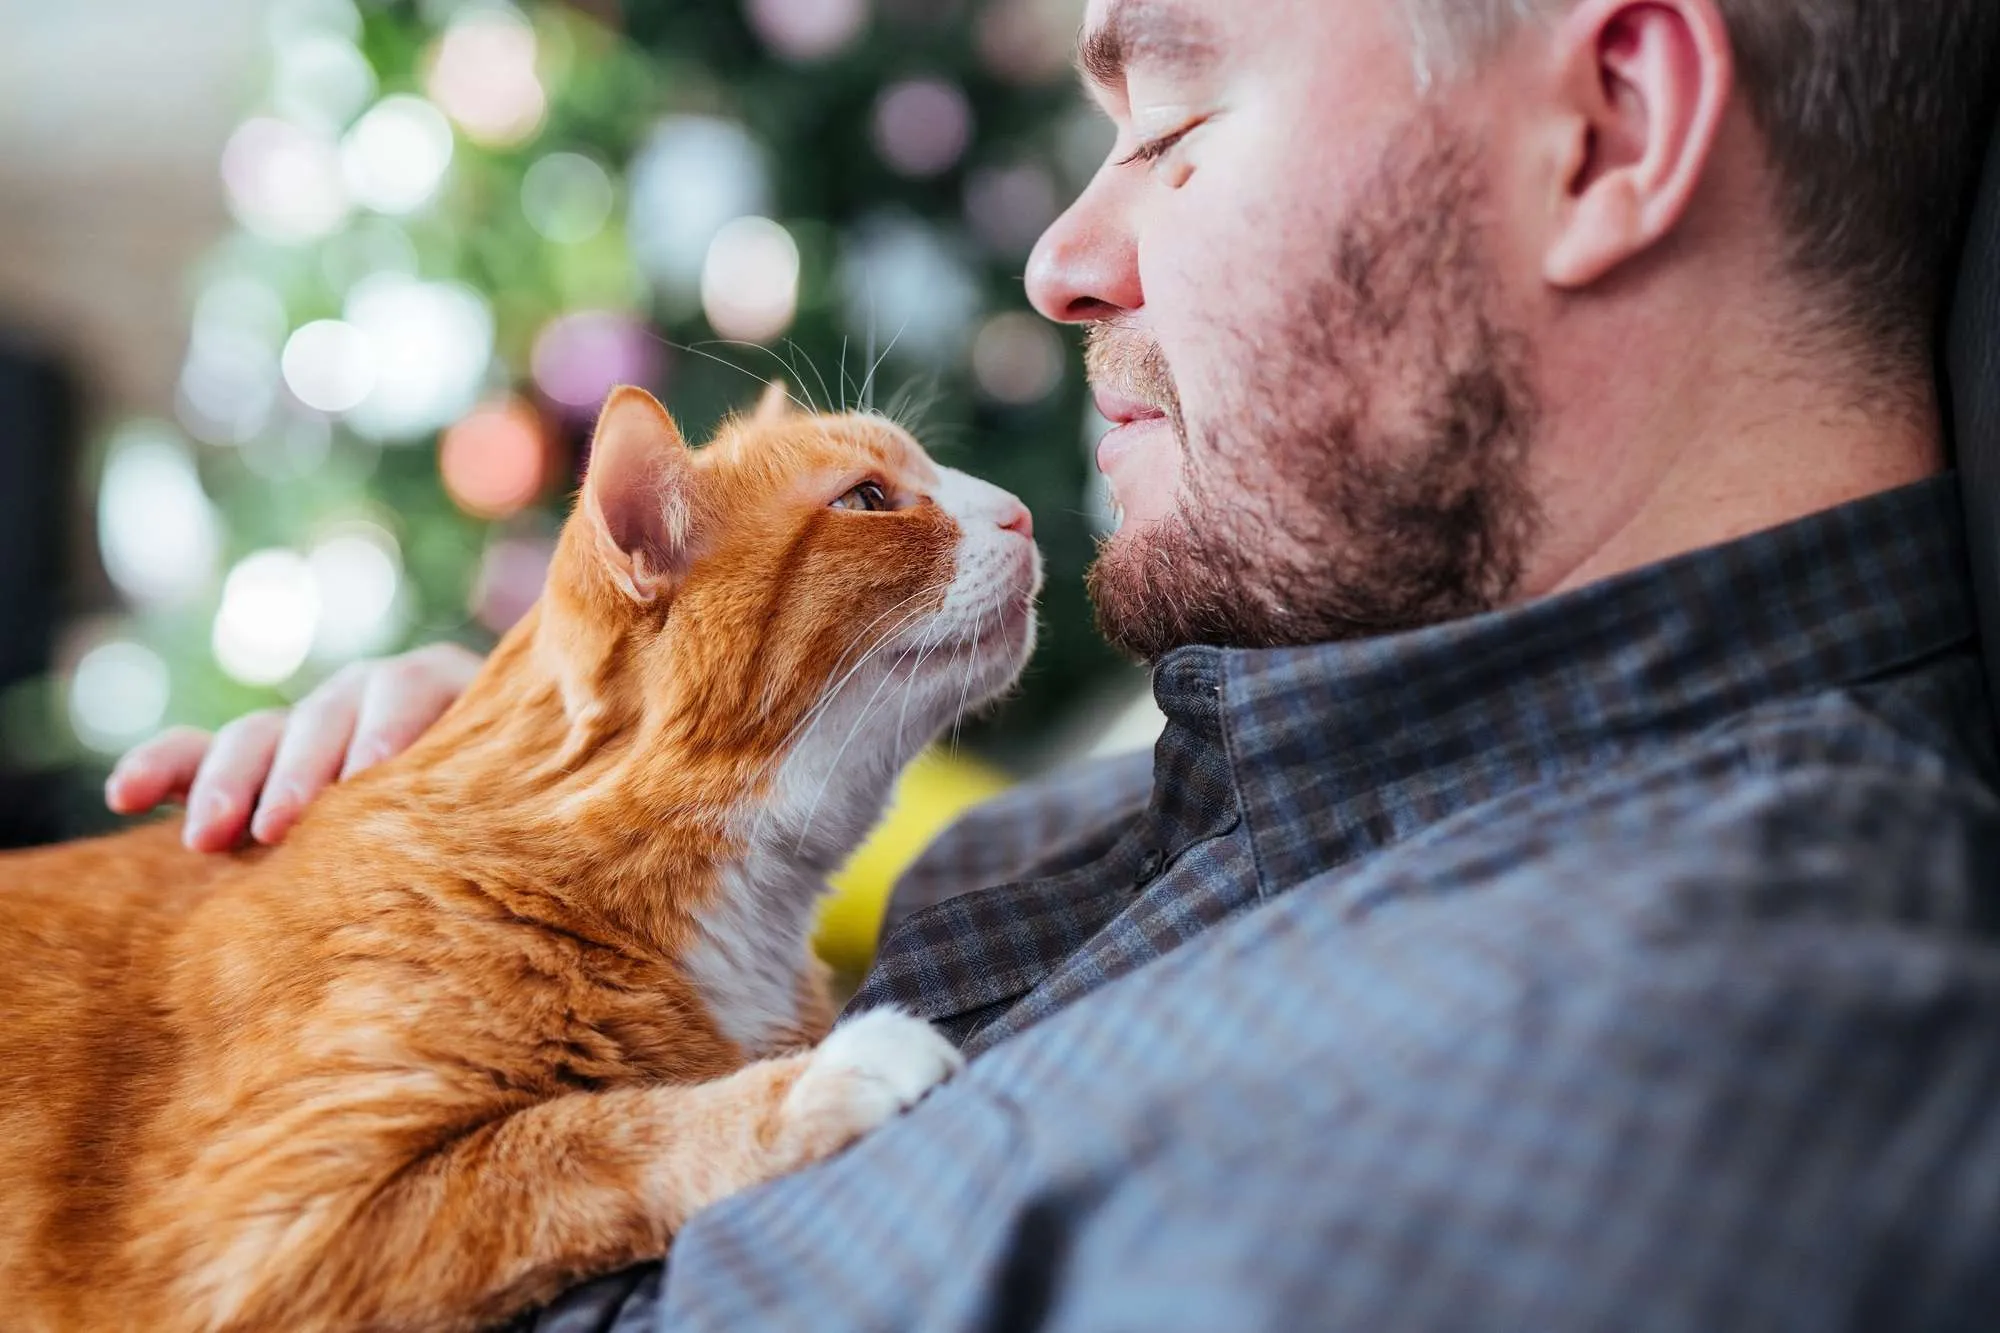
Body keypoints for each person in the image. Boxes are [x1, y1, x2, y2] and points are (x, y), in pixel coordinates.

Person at [108, 0, 2000, 1327]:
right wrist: (489, 859)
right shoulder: (1164, 819)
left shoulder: (1672, 1063)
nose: (1063, 264)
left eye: (1170, 118)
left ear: (1612, 125)